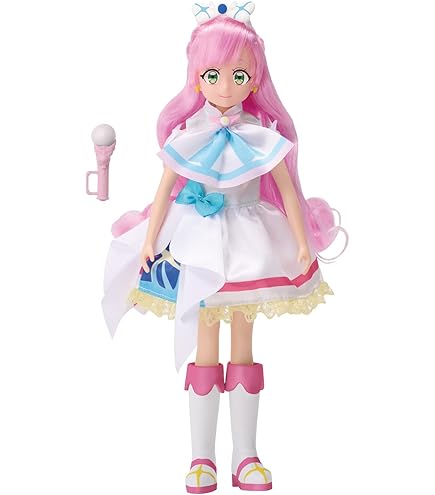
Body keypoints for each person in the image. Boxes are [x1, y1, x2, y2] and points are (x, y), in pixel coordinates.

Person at [102, 2, 347, 492]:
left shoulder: (262, 135)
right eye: (213, 75)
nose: (226, 86)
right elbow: (164, 189)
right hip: (198, 245)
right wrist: (149, 239)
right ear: (197, 79)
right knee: (205, 346)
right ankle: (201, 458)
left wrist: (302, 242)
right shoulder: (187, 134)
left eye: (239, 75)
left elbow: (287, 192)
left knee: (243, 345)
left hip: (250, 244)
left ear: (255, 79)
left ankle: (246, 456)